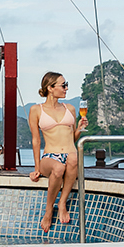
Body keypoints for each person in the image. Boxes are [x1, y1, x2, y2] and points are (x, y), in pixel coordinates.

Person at [28, 71, 86, 231]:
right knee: (59, 168)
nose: (66, 88)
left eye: (66, 85)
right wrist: (37, 168)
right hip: (50, 156)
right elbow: (36, 140)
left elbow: (72, 138)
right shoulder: (36, 110)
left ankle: (62, 203)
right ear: (50, 88)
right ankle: (48, 210)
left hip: (70, 154)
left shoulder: (70, 109)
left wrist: (80, 129)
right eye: (63, 85)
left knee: (73, 158)